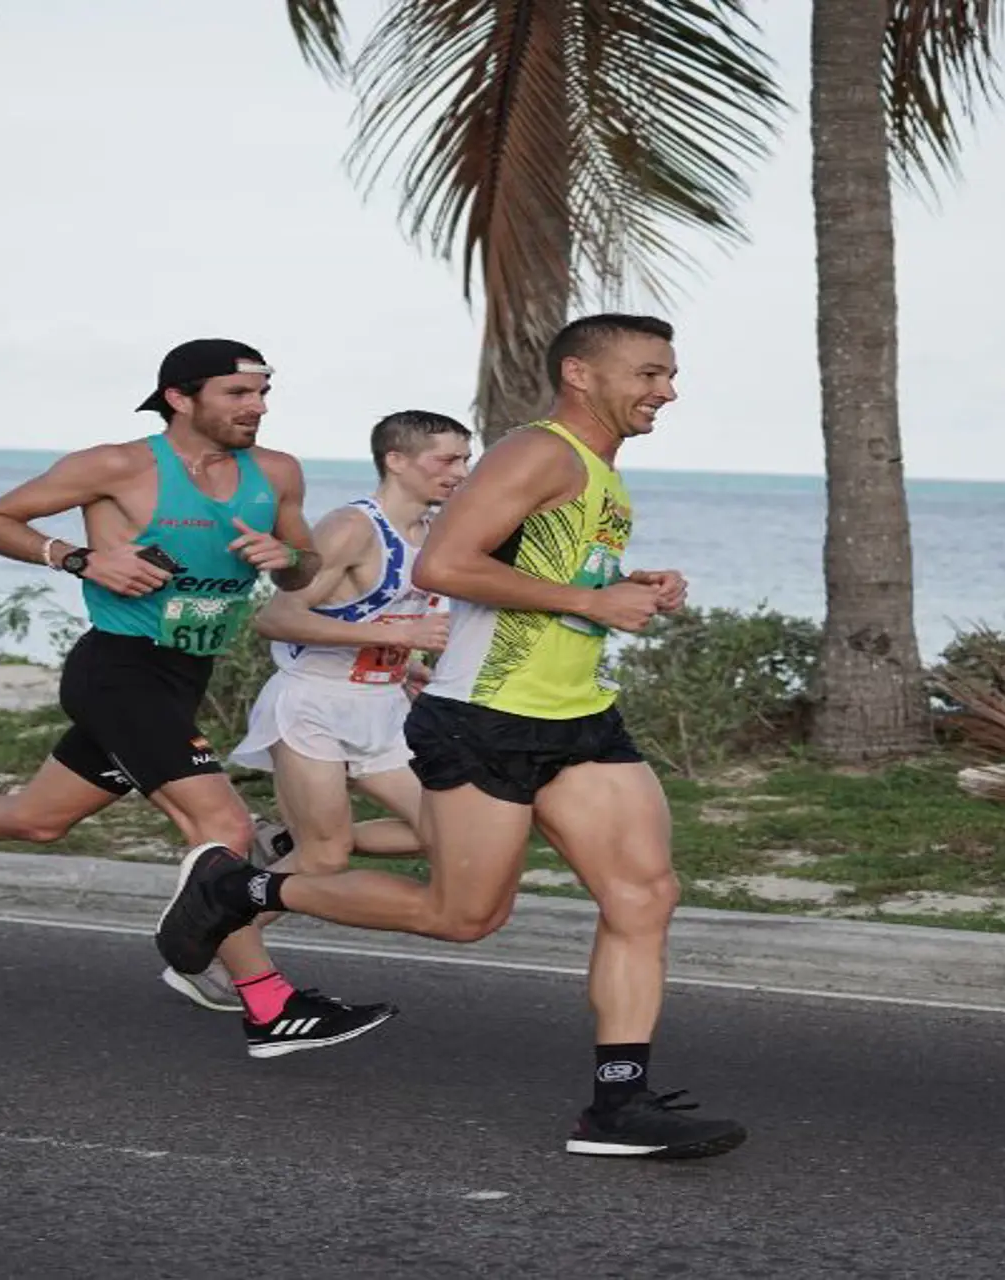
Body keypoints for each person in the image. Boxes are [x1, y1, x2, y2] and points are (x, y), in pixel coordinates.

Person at [155, 314, 747, 1158]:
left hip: (578, 715)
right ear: (581, 374)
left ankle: (620, 1106)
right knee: (464, 917)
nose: (667, 390)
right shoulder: (536, 452)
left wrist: (624, 582)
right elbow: (444, 566)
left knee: (645, 895)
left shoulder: (600, 476)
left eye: (670, 374)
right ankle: (236, 892)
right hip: (486, 717)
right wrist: (590, 603)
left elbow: (533, 569)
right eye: (650, 373)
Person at [0, 338, 397, 1060]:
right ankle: (268, 1005)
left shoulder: (276, 474)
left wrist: (285, 559)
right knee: (223, 828)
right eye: (239, 394)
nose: (257, 408)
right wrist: (78, 558)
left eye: (264, 393)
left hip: (182, 677)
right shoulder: (118, 466)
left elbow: (303, 570)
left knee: (38, 818)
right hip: (117, 671)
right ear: (180, 396)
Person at [228, 411, 473, 883]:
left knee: (449, 833)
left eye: (465, 460)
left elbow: (384, 613)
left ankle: (282, 842)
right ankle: (213, 938)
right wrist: (398, 638)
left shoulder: (434, 533)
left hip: (382, 704)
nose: (460, 473)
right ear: (397, 460)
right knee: (325, 859)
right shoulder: (351, 527)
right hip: (313, 702)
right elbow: (277, 617)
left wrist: (401, 664)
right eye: (446, 461)